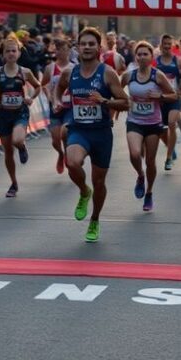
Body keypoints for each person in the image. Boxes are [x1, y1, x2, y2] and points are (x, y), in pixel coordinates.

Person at [55, 27, 129, 242]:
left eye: (91, 44)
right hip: (79, 129)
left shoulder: (107, 73)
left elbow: (126, 102)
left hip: (101, 133)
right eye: (83, 44)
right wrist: (57, 100)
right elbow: (58, 88)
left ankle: (95, 219)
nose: (86, 47)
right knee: (73, 162)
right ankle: (83, 191)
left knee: (99, 182)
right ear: (77, 47)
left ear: (99, 48)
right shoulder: (70, 73)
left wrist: (104, 101)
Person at [121, 41, 176, 212]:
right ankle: (140, 175)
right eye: (139, 54)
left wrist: (160, 96)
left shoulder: (157, 76)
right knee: (135, 153)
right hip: (134, 122)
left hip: (153, 124)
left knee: (150, 161)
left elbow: (174, 96)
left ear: (152, 57)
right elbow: (115, 90)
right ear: (135, 57)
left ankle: (149, 192)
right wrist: (125, 99)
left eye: (146, 54)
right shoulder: (128, 76)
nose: (142, 57)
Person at [0, 38, 41, 197]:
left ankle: (22, 147)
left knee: (17, 140)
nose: (11, 53)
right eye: (7, 51)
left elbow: (38, 86)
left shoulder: (25, 72)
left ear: (19, 53)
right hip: (3, 115)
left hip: (20, 112)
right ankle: (13, 183)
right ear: (2, 54)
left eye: (13, 50)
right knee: (8, 151)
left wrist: (31, 96)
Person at [155, 33, 181, 170]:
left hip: (174, 98)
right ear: (161, 45)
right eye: (164, 44)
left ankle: (168, 158)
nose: (166, 46)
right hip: (160, 99)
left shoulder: (179, 61)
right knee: (162, 130)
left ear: (172, 46)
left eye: (169, 44)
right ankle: (173, 144)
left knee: (172, 123)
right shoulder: (155, 61)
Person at [41, 38, 74, 174]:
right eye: (58, 49)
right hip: (55, 107)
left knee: (64, 134)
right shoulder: (50, 68)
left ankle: (67, 152)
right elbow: (43, 83)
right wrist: (49, 95)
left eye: (64, 49)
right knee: (55, 140)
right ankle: (60, 153)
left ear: (69, 51)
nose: (61, 52)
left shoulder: (74, 68)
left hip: (69, 107)